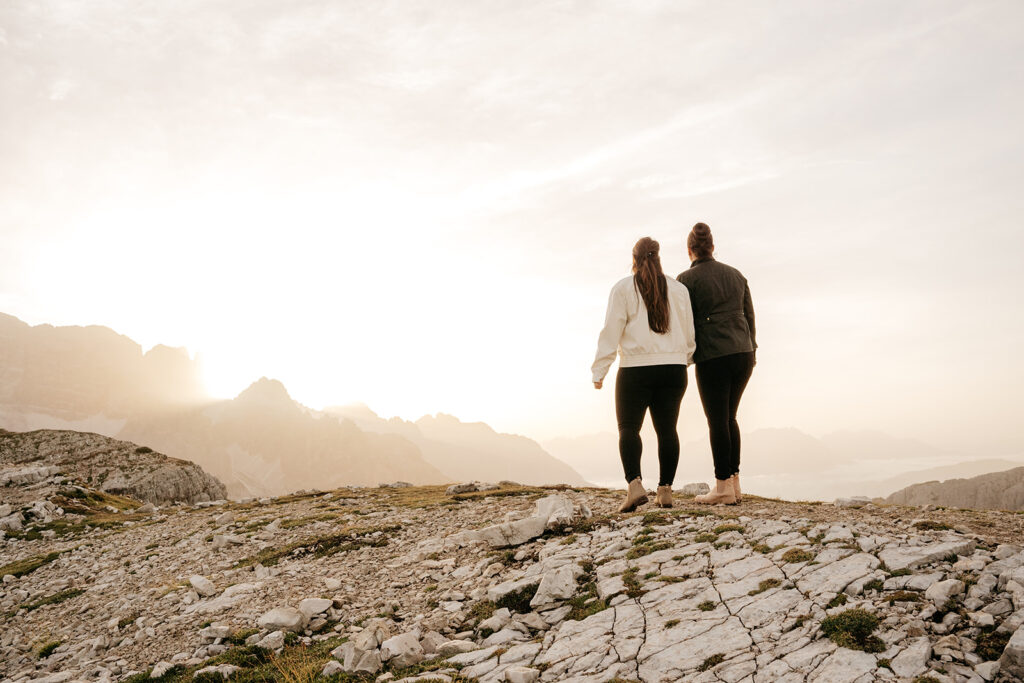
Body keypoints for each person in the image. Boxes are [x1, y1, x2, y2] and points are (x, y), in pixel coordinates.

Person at [592, 237, 696, 513]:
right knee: (667, 430)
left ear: (634, 260)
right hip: (674, 369)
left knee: (629, 428)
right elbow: (689, 334)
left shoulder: (623, 288)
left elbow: (611, 331)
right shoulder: (679, 290)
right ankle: (665, 490)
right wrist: (682, 360)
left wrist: (600, 369)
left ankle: (634, 485)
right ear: (658, 257)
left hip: (635, 369)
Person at [676, 222, 756, 505]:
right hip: (743, 352)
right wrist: (752, 349)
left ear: (690, 250)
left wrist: (683, 357)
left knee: (718, 421)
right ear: (712, 247)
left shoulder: (685, 280)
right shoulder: (736, 275)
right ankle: (734, 483)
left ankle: (722, 487)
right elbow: (749, 316)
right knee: (730, 417)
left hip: (713, 355)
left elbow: (683, 323)